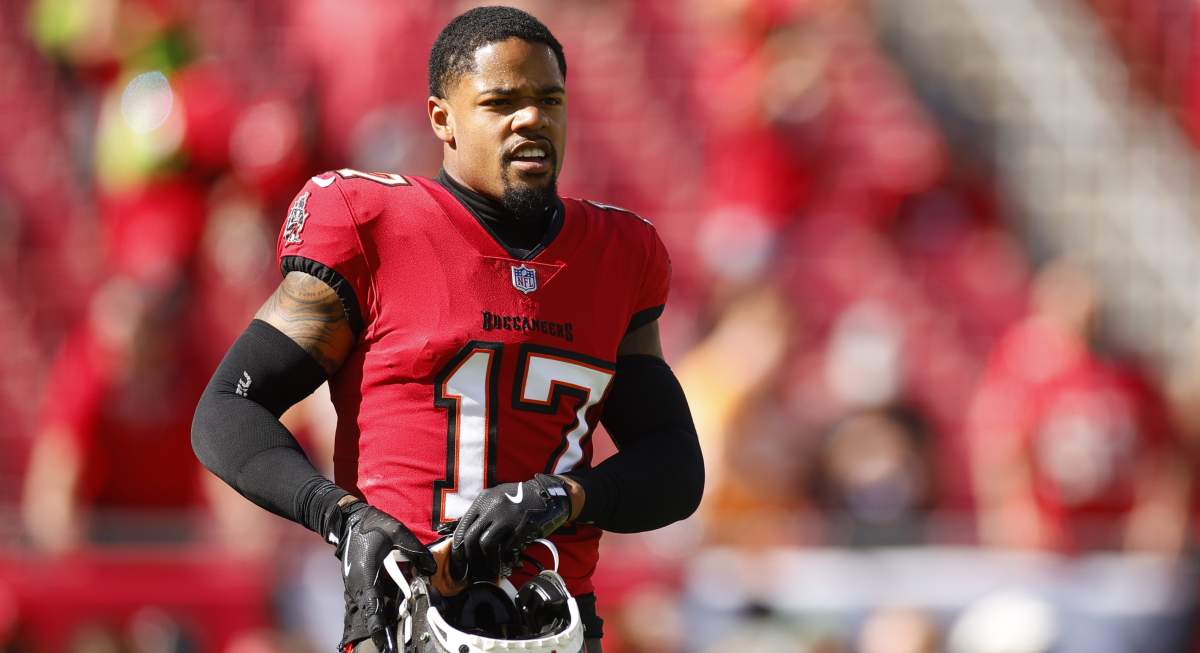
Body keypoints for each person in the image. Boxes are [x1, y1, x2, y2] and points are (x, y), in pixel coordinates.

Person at [191, 6, 704, 652]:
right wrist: (341, 518)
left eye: (549, 100)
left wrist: (563, 497)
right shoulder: (370, 224)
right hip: (407, 623)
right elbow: (228, 407)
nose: (531, 119)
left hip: (555, 626)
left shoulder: (617, 254)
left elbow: (674, 463)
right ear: (442, 118)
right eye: (501, 102)